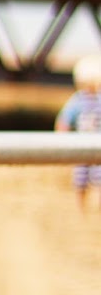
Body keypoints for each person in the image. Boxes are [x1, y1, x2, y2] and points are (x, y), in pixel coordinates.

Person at [55, 54, 101, 210]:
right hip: (82, 146)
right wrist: (61, 139)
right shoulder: (78, 100)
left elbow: (64, 120)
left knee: (98, 177)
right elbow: (64, 120)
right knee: (80, 178)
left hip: (96, 146)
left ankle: (96, 207)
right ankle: (81, 207)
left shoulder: (90, 100)